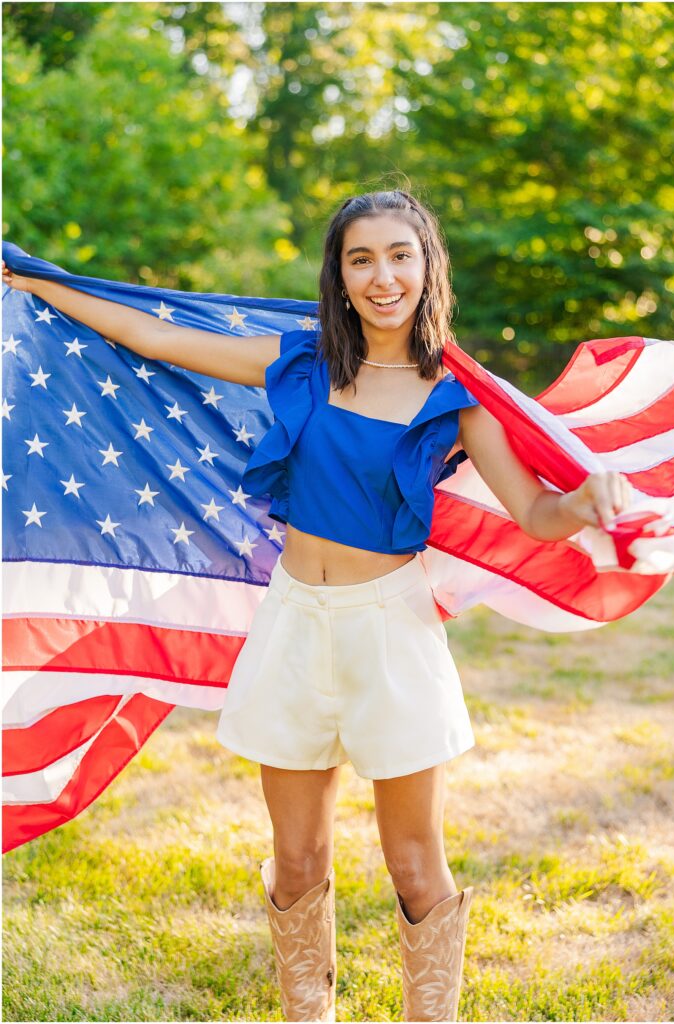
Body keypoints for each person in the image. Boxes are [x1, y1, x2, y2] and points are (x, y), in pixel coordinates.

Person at [1, 189, 632, 1023]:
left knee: (414, 863)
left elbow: (536, 514)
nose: (382, 276)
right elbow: (153, 335)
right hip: (294, 622)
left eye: (400, 255)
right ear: (338, 273)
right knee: (296, 860)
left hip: (390, 632)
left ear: (427, 266)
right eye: (360, 258)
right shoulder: (300, 361)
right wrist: (32, 284)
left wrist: (585, 501)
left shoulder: (457, 393)